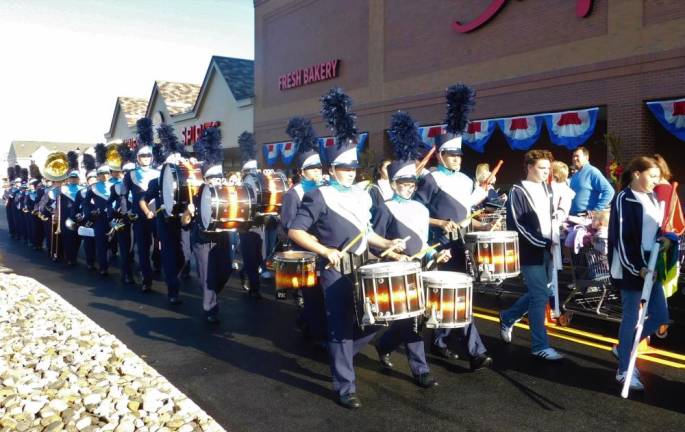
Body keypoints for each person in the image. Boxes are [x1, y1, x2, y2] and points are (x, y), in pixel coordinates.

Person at [289, 87, 406, 409]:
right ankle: (345, 386)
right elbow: (296, 230)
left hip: (363, 263)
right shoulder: (319, 195)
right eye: (344, 169)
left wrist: (387, 243)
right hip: (335, 268)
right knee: (340, 324)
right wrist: (325, 251)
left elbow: (367, 233)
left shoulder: (362, 195)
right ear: (331, 170)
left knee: (376, 319)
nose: (350, 173)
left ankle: (342, 355)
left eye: (354, 169)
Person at [413, 84, 493, 368]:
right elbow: (415, 211)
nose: (457, 159)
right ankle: (476, 351)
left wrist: (481, 220)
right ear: (440, 156)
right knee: (450, 294)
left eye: (459, 155)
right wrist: (439, 222)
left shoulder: (466, 179)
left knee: (456, 294)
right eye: (451, 155)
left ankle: (440, 340)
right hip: (438, 245)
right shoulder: (431, 178)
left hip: (460, 244)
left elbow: (467, 208)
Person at [371, 111, 447, 387]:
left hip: (421, 268)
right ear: (393, 184)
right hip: (395, 271)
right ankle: (419, 370)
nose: (407, 188)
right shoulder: (384, 208)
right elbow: (373, 241)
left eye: (411, 184)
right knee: (408, 319)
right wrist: (390, 252)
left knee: (415, 319)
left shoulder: (421, 208)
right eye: (402, 184)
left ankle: (389, 349)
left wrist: (435, 253)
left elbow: (424, 243)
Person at [608, 156, 677, 391]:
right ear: (637, 173)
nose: (657, 181)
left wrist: (668, 239)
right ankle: (623, 369)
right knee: (631, 317)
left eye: (659, 177)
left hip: (651, 263)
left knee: (659, 316)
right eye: (652, 176)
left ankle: (623, 348)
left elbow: (658, 230)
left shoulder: (652, 197)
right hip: (631, 266)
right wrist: (637, 267)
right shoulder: (623, 198)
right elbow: (622, 238)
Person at [500, 149, 564, 361]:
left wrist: (558, 229)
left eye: (548, 168)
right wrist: (542, 242)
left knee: (541, 291)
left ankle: (508, 316)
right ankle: (539, 346)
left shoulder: (548, 189)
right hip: (529, 250)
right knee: (540, 296)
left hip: (547, 248)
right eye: (541, 168)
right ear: (529, 167)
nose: (546, 172)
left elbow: (550, 217)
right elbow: (518, 225)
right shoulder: (517, 191)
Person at [281, 116, 327, 341]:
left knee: (322, 296)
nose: (317, 172)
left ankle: (309, 321)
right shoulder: (294, 194)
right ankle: (315, 333)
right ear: (301, 172)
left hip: (325, 250)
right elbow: (288, 225)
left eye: (319, 167)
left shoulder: (326, 190)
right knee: (312, 295)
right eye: (311, 168)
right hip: (306, 252)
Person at [182, 127, 232, 323]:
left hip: (222, 236)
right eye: (212, 178)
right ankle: (210, 307)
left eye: (218, 177)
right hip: (202, 240)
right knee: (206, 277)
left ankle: (212, 293)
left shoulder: (227, 192)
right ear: (205, 178)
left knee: (226, 271)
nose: (216, 181)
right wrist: (188, 212)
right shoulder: (195, 194)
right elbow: (184, 222)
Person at [147, 123, 188, 305]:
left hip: (182, 221)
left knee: (182, 256)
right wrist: (149, 211)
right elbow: (144, 198)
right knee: (170, 256)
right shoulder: (157, 181)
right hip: (164, 221)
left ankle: (174, 276)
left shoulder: (185, 179)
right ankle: (173, 290)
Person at [120, 118, 160, 292]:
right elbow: (123, 194)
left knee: (158, 247)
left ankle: (158, 269)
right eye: (142, 155)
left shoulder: (160, 173)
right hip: (137, 214)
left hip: (157, 213)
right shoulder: (130, 175)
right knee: (142, 248)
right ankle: (146, 278)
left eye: (148, 155)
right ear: (137, 157)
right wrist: (126, 211)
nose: (146, 158)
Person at [237, 131, 264, 299]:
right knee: (250, 257)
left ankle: (244, 271)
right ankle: (255, 288)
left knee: (258, 256)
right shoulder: (239, 187)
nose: (253, 174)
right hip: (245, 226)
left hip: (259, 223)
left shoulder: (261, 184)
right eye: (250, 171)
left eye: (255, 170)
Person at [109, 143, 136, 285]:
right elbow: (109, 202)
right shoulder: (117, 186)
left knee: (135, 250)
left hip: (137, 220)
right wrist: (113, 213)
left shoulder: (140, 186)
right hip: (122, 220)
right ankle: (126, 274)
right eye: (125, 172)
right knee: (125, 250)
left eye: (130, 171)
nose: (127, 174)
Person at [86, 143, 114, 277]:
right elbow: (86, 204)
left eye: (107, 173)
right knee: (101, 243)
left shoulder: (116, 185)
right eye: (101, 174)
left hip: (116, 217)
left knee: (119, 243)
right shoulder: (92, 188)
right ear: (97, 175)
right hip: (100, 219)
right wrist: (92, 211)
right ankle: (103, 266)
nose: (104, 176)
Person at [569, 146, 614, 215]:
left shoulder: (592, 171)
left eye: (577, 156)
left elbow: (609, 191)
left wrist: (596, 211)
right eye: (573, 156)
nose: (574, 159)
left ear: (586, 157)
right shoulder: (575, 175)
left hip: (585, 219)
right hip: (572, 217)